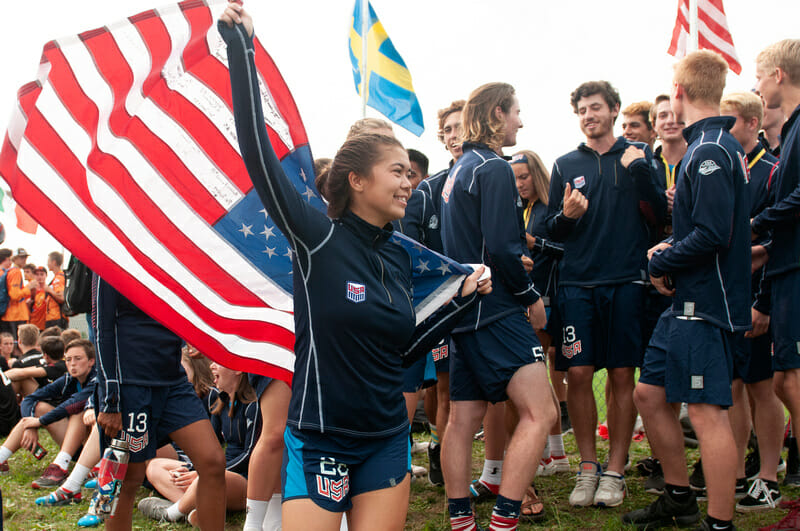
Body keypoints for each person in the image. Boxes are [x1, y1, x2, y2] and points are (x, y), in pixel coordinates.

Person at [218, 6, 491, 530]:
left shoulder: (398, 252)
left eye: (411, 173)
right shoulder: (317, 238)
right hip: (321, 436)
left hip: (387, 436)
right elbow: (258, 159)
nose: (409, 182)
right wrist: (242, 50)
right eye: (397, 171)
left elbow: (405, 346)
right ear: (358, 180)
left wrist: (461, 300)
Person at [623, 50, 750, 531]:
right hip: (683, 303)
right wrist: (670, 247)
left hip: (705, 305)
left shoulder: (712, 150)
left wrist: (661, 258)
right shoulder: (708, 146)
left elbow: (716, 234)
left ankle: (719, 522)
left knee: (705, 413)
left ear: (678, 93)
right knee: (649, 396)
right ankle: (679, 497)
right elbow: (703, 227)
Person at [438, 81, 556, 529]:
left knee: (462, 418)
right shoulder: (492, 167)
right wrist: (532, 297)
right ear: (497, 114)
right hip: (496, 310)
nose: (520, 122)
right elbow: (505, 249)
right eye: (516, 113)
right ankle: (505, 520)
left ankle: (461, 522)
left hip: (465, 311)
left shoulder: (459, 168)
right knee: (540, 412)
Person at [546, 80, 665, 508]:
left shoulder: (637, 157)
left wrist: (641, 170)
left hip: (626, 282)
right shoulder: (564, 163)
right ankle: (587, 467)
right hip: (577, 284)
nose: (588, 115)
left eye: (595, 107)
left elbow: (662, 214)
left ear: (614, 110)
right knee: (577, 374)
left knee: (620, 376)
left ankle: (616, 470)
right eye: (582, 110)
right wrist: (565, 215)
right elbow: (549, 231)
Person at [94, 277, 226, 530]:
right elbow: (101, 328)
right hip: (128, 385)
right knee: (125, 479)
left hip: (172, 380)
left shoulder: (171, 247)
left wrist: (195, 334)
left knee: (212, 461)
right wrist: (110, 399)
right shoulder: (111, 247)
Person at [720, 90, 784, 511]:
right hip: (725, 298)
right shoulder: (726, 166)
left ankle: (768, 476)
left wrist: (761, 302)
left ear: (749, 123)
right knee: (734, 386)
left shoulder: (773, 171)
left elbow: (776, 240)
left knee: (763, 387)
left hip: (758, 297)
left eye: (726, 121)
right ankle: (739, 473)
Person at [751, 38, 800, 531]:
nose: (758, 85)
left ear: (779, 76)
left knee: (792, 381)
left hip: (795, 267)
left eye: (760, 75)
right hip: (783, 268)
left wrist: (755, 226)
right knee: (788, 379)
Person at [139, 362, 260, 524]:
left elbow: (250, 455)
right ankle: (195, 510)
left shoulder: (254, 406)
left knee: (207, 477)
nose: (211, 366)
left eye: (218, 362)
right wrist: (196, 470)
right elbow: (211, 447)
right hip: (219, 473)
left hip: (243, 480)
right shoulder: (221, 402)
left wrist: (205, 473)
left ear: (238, 369)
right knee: (155, 466)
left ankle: (171, 513)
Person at [510, 150, 569, 479]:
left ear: (538, 174)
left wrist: (537, 244)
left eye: (524, 176)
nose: (520, 184)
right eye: (514, 178)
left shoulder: (552, 208)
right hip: (524, 300)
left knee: (541, 377)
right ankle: (554, 453)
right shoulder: (515, 209)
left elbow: (569, 251)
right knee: (541, 377)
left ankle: (551, 452)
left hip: (547, 301)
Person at [417, 99, 466, 487]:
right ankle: (439, 449)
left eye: (459, 126)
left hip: (488, 303)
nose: (453, 135)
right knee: (444, 386)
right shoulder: (428, 190)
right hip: (444, 307)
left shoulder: (496, 174)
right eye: (447, 129)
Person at [0, 338, 96, 481]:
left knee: (81, 410)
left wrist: (39, 422)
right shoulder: (68, 378)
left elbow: (71, 405)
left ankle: (68, 465)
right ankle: (1, 457)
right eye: (68, 359)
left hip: (98, 447)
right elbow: (29, 399)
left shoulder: (99, 379)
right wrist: (30, 426)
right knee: (39, 407)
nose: (72, 363)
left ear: (91, 361)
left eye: (78, 358)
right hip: (77, 444)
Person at [6, 329, 67, 398]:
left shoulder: (58, 366)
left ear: (45, 356)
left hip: (54, 401)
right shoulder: (61, 363)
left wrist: (3, 376)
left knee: (22, 378)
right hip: (52, 395)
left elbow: (23, 373)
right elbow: (31, 369)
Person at [0, 248, 37, 338]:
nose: (24, 260)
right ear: (14, 259)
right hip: (15, 316)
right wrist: (29, 287)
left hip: (13, 315)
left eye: (25, 257)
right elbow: (15, 295)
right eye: (21, 258)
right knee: (17, 346)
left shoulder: (11, 271)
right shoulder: (15, 272)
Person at [44, 251, 67, 329]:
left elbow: (61, 298)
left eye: (48, 262)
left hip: (56, 317)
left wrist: (49, 290)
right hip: (53, 317)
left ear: (54, 262)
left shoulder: (59, 278)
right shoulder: (56, 278)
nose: (47, 264)